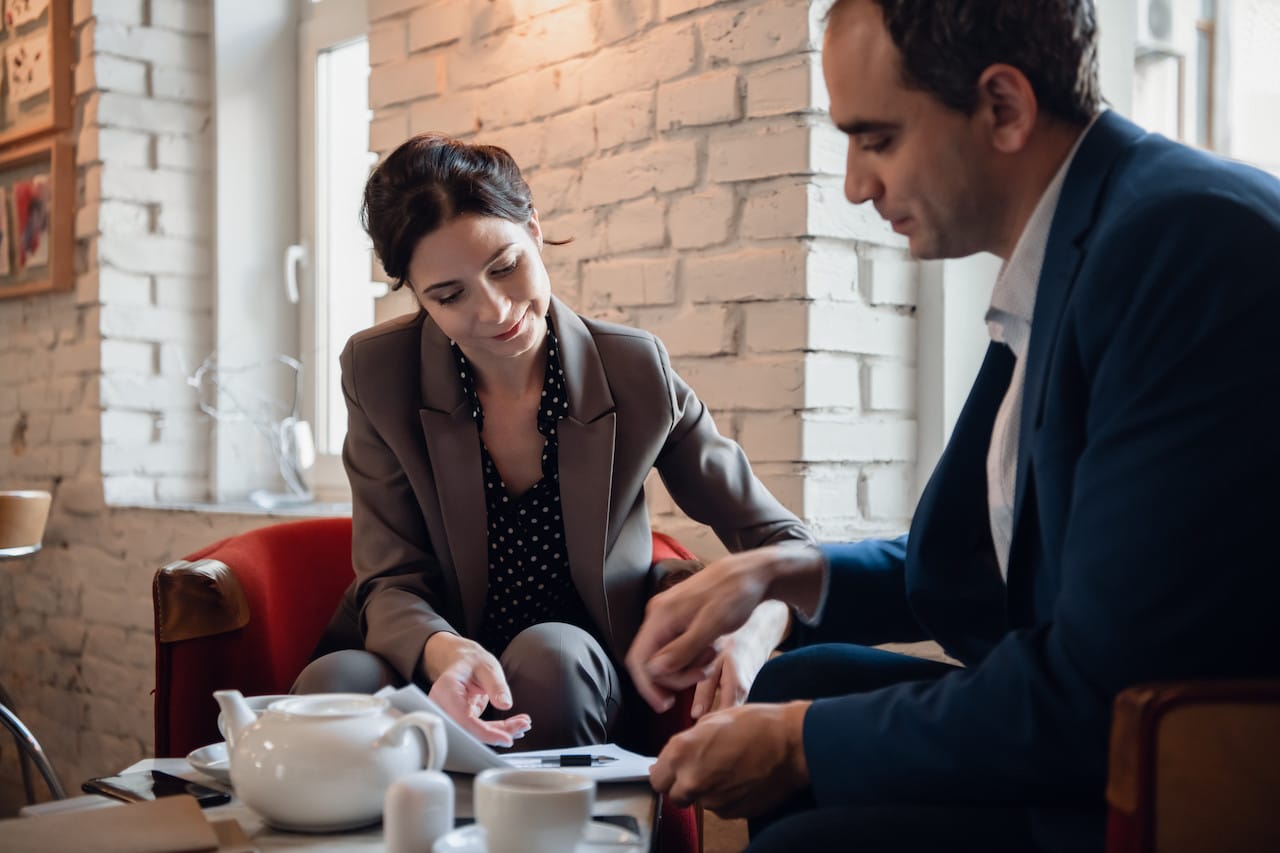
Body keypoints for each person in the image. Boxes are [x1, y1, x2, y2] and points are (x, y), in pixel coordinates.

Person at [624, 0, 1280, 850]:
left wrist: (799, 745)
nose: (858, 185)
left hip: (1160, 768)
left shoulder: (1183, 247)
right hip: (1089, 714)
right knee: (798, 676)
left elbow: (1103, 687)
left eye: (877, 140)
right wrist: (782, 571)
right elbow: (1000, 559)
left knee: (799, 821)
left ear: (1003, 107)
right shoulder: (1074, 250)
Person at [293, 133, 813, 752]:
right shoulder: (378, 371)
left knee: (550, 655)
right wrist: (441, 651)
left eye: (505, 266)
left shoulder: (634, 370)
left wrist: (752, 632)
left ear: (534, 230)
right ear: (414, 292)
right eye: (450, 294)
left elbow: (783, 542)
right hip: (429, 648)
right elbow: (390, 575)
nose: (494, 311)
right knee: (337, 679)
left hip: (575, 661)